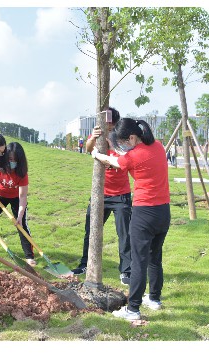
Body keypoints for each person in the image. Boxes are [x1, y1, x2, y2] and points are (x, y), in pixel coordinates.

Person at [91, 118, 170, 321]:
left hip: (144, 213)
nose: (122, 145)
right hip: (164, 212)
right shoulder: (159, 146)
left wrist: (97, 154)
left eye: (123, 142)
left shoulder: (134, 156)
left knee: (138, 261)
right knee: (155, 257)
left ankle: (133, 309)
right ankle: (154, 299)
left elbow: (114, 161)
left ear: (132, 137)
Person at [71, 107, 132, 286]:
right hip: (100, 194)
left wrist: (111, 146)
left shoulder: (122, 138)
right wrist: (93, 137)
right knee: (91, 230)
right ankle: (85, 264)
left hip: (121, 195)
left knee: (125, 234)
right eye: (106, 125)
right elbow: (88, 150)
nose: (108, 128)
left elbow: (123, 158)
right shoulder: (98, 135)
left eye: (111, 126)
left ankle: (126, 271)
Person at [0, 142, 36, 266]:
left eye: (15, 160)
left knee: (21, 224)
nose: (12, 162)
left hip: (16, 198)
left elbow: (22, 196)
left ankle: (29, 256)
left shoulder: (22, 173)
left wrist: (20, 215)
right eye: (10, 159)